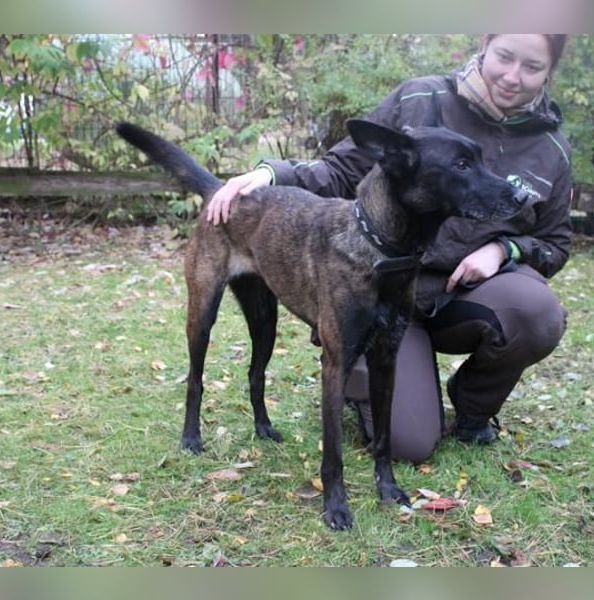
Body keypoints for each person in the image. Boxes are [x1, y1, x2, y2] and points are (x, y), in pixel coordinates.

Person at [206, 34, 572, 464]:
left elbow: (555, 243)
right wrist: (272, 174)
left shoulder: (552, 150)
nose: (512, 76)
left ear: (550, 71)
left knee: (537, 313)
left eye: (532, 66)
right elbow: (342, 168)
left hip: (465, 295)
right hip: (384, 289)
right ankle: (360, 370)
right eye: (504, 57)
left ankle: (473, 409)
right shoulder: (420, 99)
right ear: (485, 45)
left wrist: (504, 250)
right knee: (409, 445)